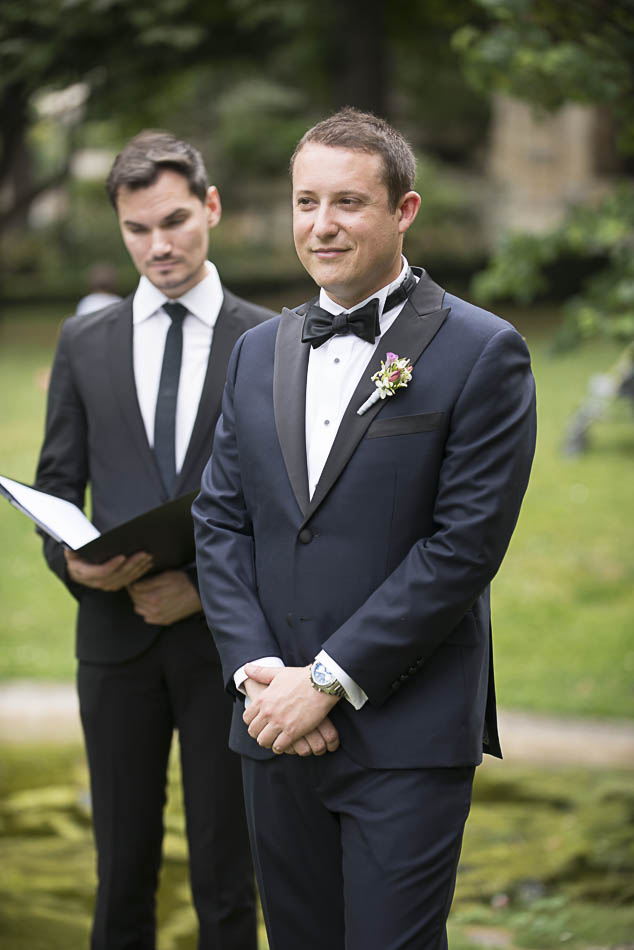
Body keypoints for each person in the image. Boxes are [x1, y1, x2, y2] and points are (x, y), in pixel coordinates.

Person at [192, 108, 537, 950]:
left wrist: (330, 680)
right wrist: (259, 674)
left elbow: (463, 548)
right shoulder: (257, 351)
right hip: (273, 725)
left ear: (403, 212)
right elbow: (220, 521)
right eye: (306, 202)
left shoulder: (482, 352)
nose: (321, 225)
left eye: (348, 202)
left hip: (407, 733)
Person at [35, 130, 273, 950]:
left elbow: (293, 515)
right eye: (138, 229)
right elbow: (57, 485)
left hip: (230, 646)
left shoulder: (270, 339)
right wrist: (74, 567)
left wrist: (204, 592)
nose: (159, 246)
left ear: (211, 207)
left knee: (227, 871)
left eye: (175, 220)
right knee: (120, 866)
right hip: (113, 642)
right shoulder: (82, 342)